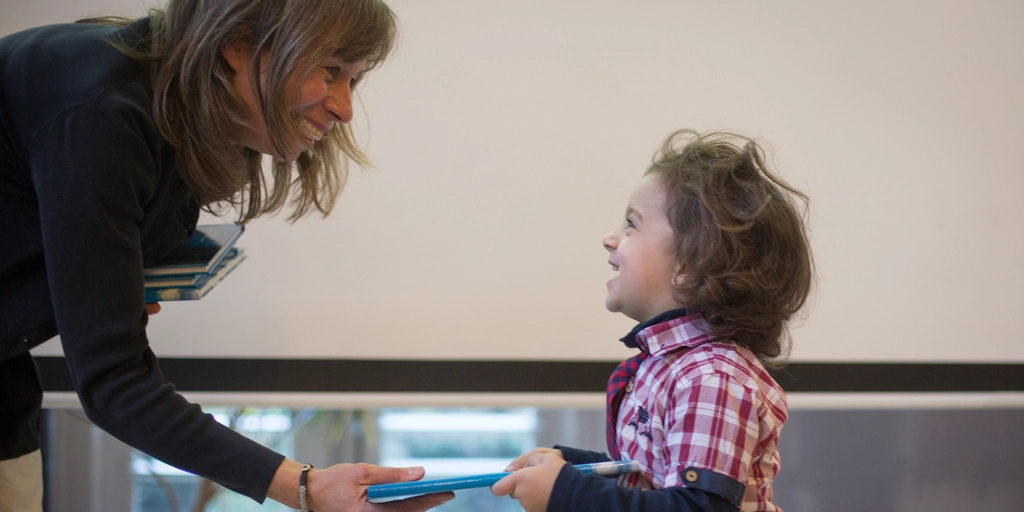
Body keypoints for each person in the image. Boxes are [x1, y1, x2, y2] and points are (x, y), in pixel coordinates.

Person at [0, 1, 453, 511]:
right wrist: (302, 486)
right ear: (237, 46)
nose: (345, 108)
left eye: (355, 79)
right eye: (330, 71)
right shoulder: (100, 113)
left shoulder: (178, 107)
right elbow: (114, 384)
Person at [491, 130, 814, 512]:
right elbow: (652, 475)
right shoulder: (669, 366)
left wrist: (568, 492)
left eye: (632, 223)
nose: (610, 238)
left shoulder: (710, 378)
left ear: (688, 265)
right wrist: (574, 467)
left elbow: (696, 507)